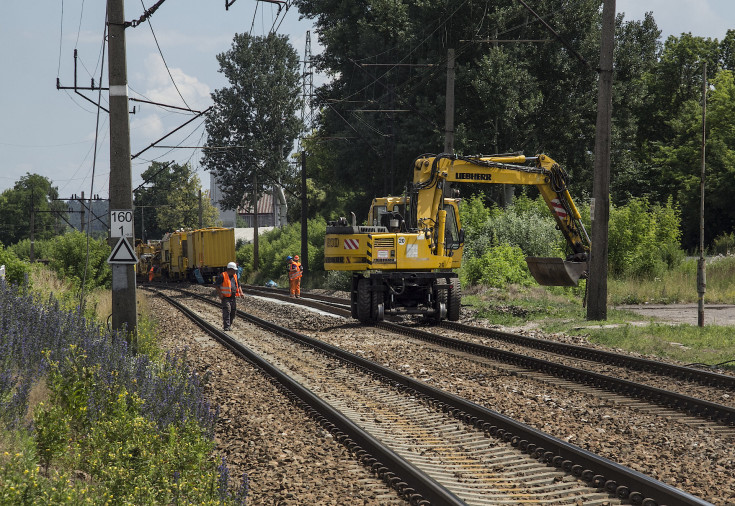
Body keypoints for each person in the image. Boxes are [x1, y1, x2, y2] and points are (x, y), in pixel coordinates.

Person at [215, 261, 242, 331]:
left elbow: (238, 285)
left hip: (233, 297)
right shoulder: (222, 276)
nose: (235, 271)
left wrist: (241, 293)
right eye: (234, 270)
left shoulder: (235, 276)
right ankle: (226, 326)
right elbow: (216, 285)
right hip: (225, 297)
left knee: (233, 311)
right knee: (227, 310)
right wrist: (220, 294)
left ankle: (229, 325)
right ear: (230, 269)